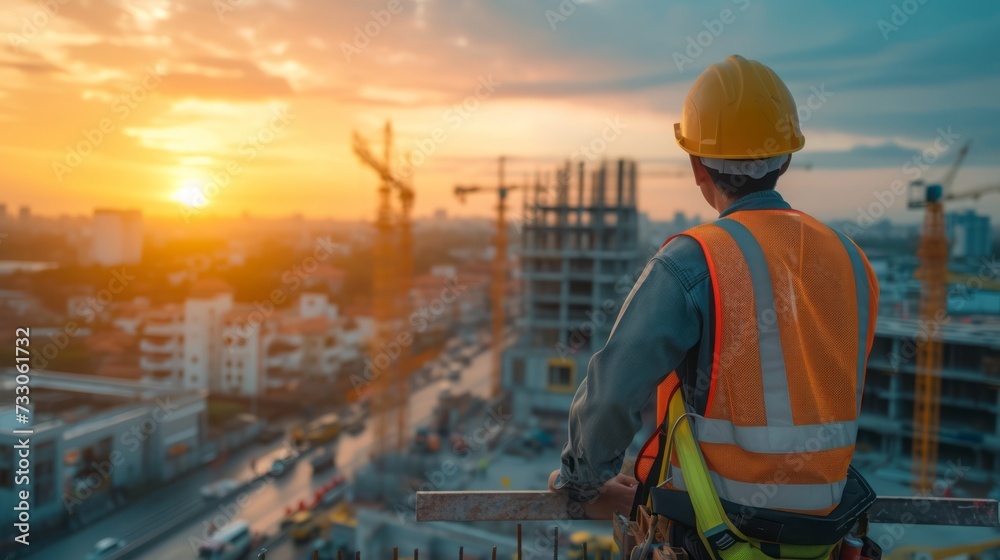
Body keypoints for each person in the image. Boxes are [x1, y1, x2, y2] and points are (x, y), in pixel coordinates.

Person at [548, 54, 879, 558]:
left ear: (697, 165)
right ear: (786, 159)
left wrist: (582, 484)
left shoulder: (694, 260)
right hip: (823, 539)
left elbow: (612, 391)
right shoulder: (852, 261)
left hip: (712, 534)